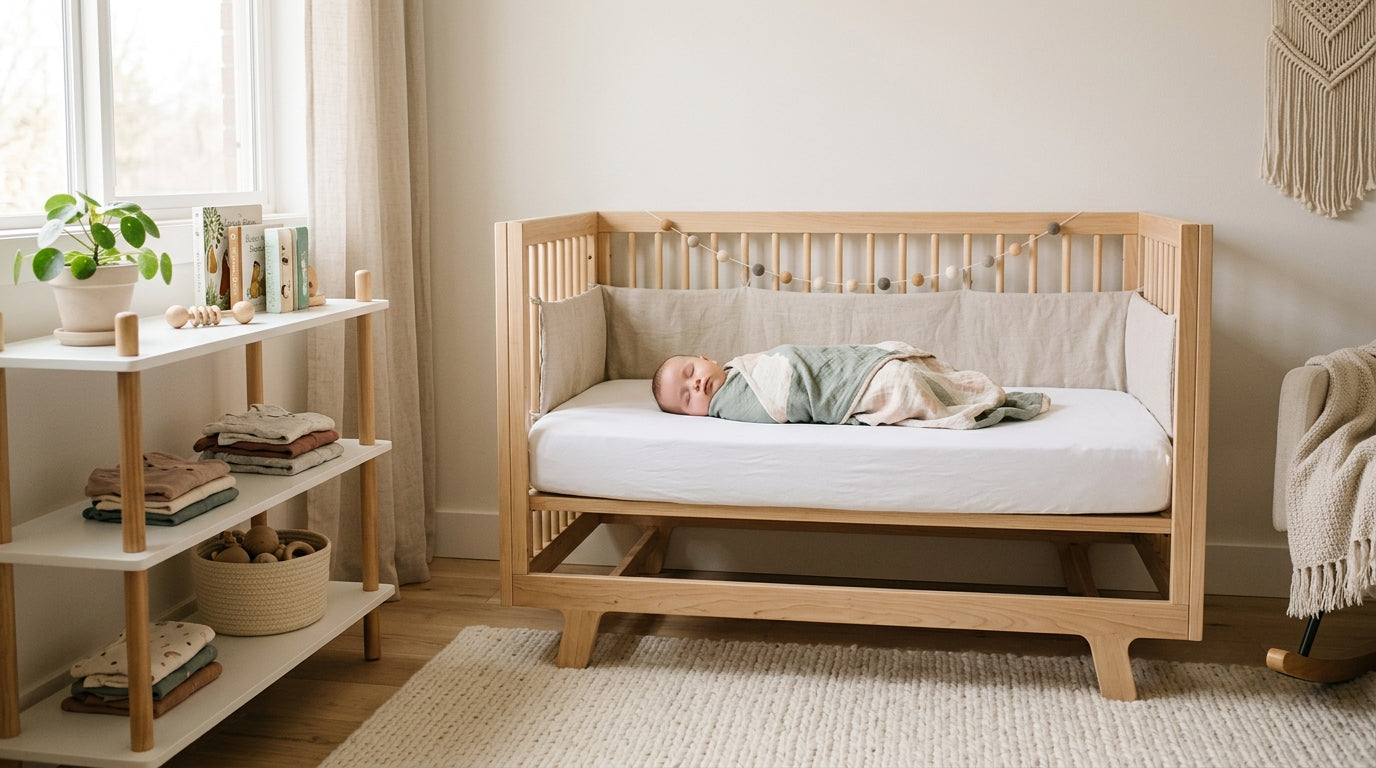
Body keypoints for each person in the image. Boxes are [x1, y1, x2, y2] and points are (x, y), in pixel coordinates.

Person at [652, 342, 1048, 429]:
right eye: (686, 399)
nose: (697, 387)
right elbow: (778, 402)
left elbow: (793, 363)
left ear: (705, 358)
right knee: (901, 384)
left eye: (689, 373)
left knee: (902, 370)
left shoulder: (745, 367)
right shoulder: (732, 403)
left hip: (852, 369)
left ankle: (966, 392)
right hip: (852, 390)